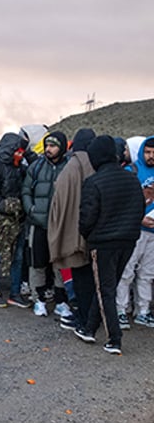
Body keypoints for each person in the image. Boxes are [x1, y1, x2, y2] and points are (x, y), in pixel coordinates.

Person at [75, 135, 146, 354]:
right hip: (128, 241)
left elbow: (87, 217)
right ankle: (89, 328)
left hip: (103, 243)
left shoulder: (93, 182)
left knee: (106, 289)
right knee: (108, 285)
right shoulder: (131, 178)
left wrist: (89, 235)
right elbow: (139, 209)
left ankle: (114, 338)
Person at [48, 128, 97, 330]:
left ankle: (84, 318)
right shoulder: (95, 164)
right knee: (93, 279)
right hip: (94, 231)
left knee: (81, 277)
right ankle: (90, 316)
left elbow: (59, 198)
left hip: (75, 229)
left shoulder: (72, 166)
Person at [21, 131, 72, 317]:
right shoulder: (36, 167)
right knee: (37, 263)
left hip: (60, 225)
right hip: (38, 223)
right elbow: (26, 190)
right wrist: (31, 209)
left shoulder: (70, 167)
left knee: (60, 263)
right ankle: (39, 300)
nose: (49, 149)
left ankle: (61, 301)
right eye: (47, 145)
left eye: (53, 145)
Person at [0, 133, 29, 307]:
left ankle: (15, 293)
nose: (21, 154)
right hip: (2, 220)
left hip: (18, 220)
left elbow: (33, 167)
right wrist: (9, 209)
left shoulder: (19, 168)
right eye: (18, 151)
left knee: (17, 256)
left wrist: (27, 151)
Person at [116, 137, 154, 328]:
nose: (151, 156)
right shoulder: (131, 172)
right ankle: (121, 309)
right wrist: (138, 218)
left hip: (153, 233)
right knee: (126, 271)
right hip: (135, 230)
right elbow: (122, 203)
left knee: (147, 274)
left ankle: (143, 311)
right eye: (147, 152)